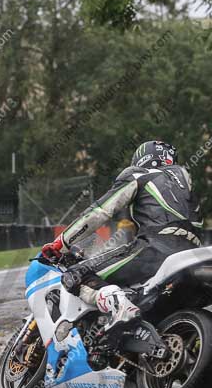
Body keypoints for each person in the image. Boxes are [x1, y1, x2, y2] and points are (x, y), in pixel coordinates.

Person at [40, 140, 202, 346]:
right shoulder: (185, 181)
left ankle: (119, 307)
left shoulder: (138, 175)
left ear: (141, 158)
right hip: (193, 253)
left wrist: (61, 242)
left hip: (157, 248)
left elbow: (100, 212)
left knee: (75, 276)